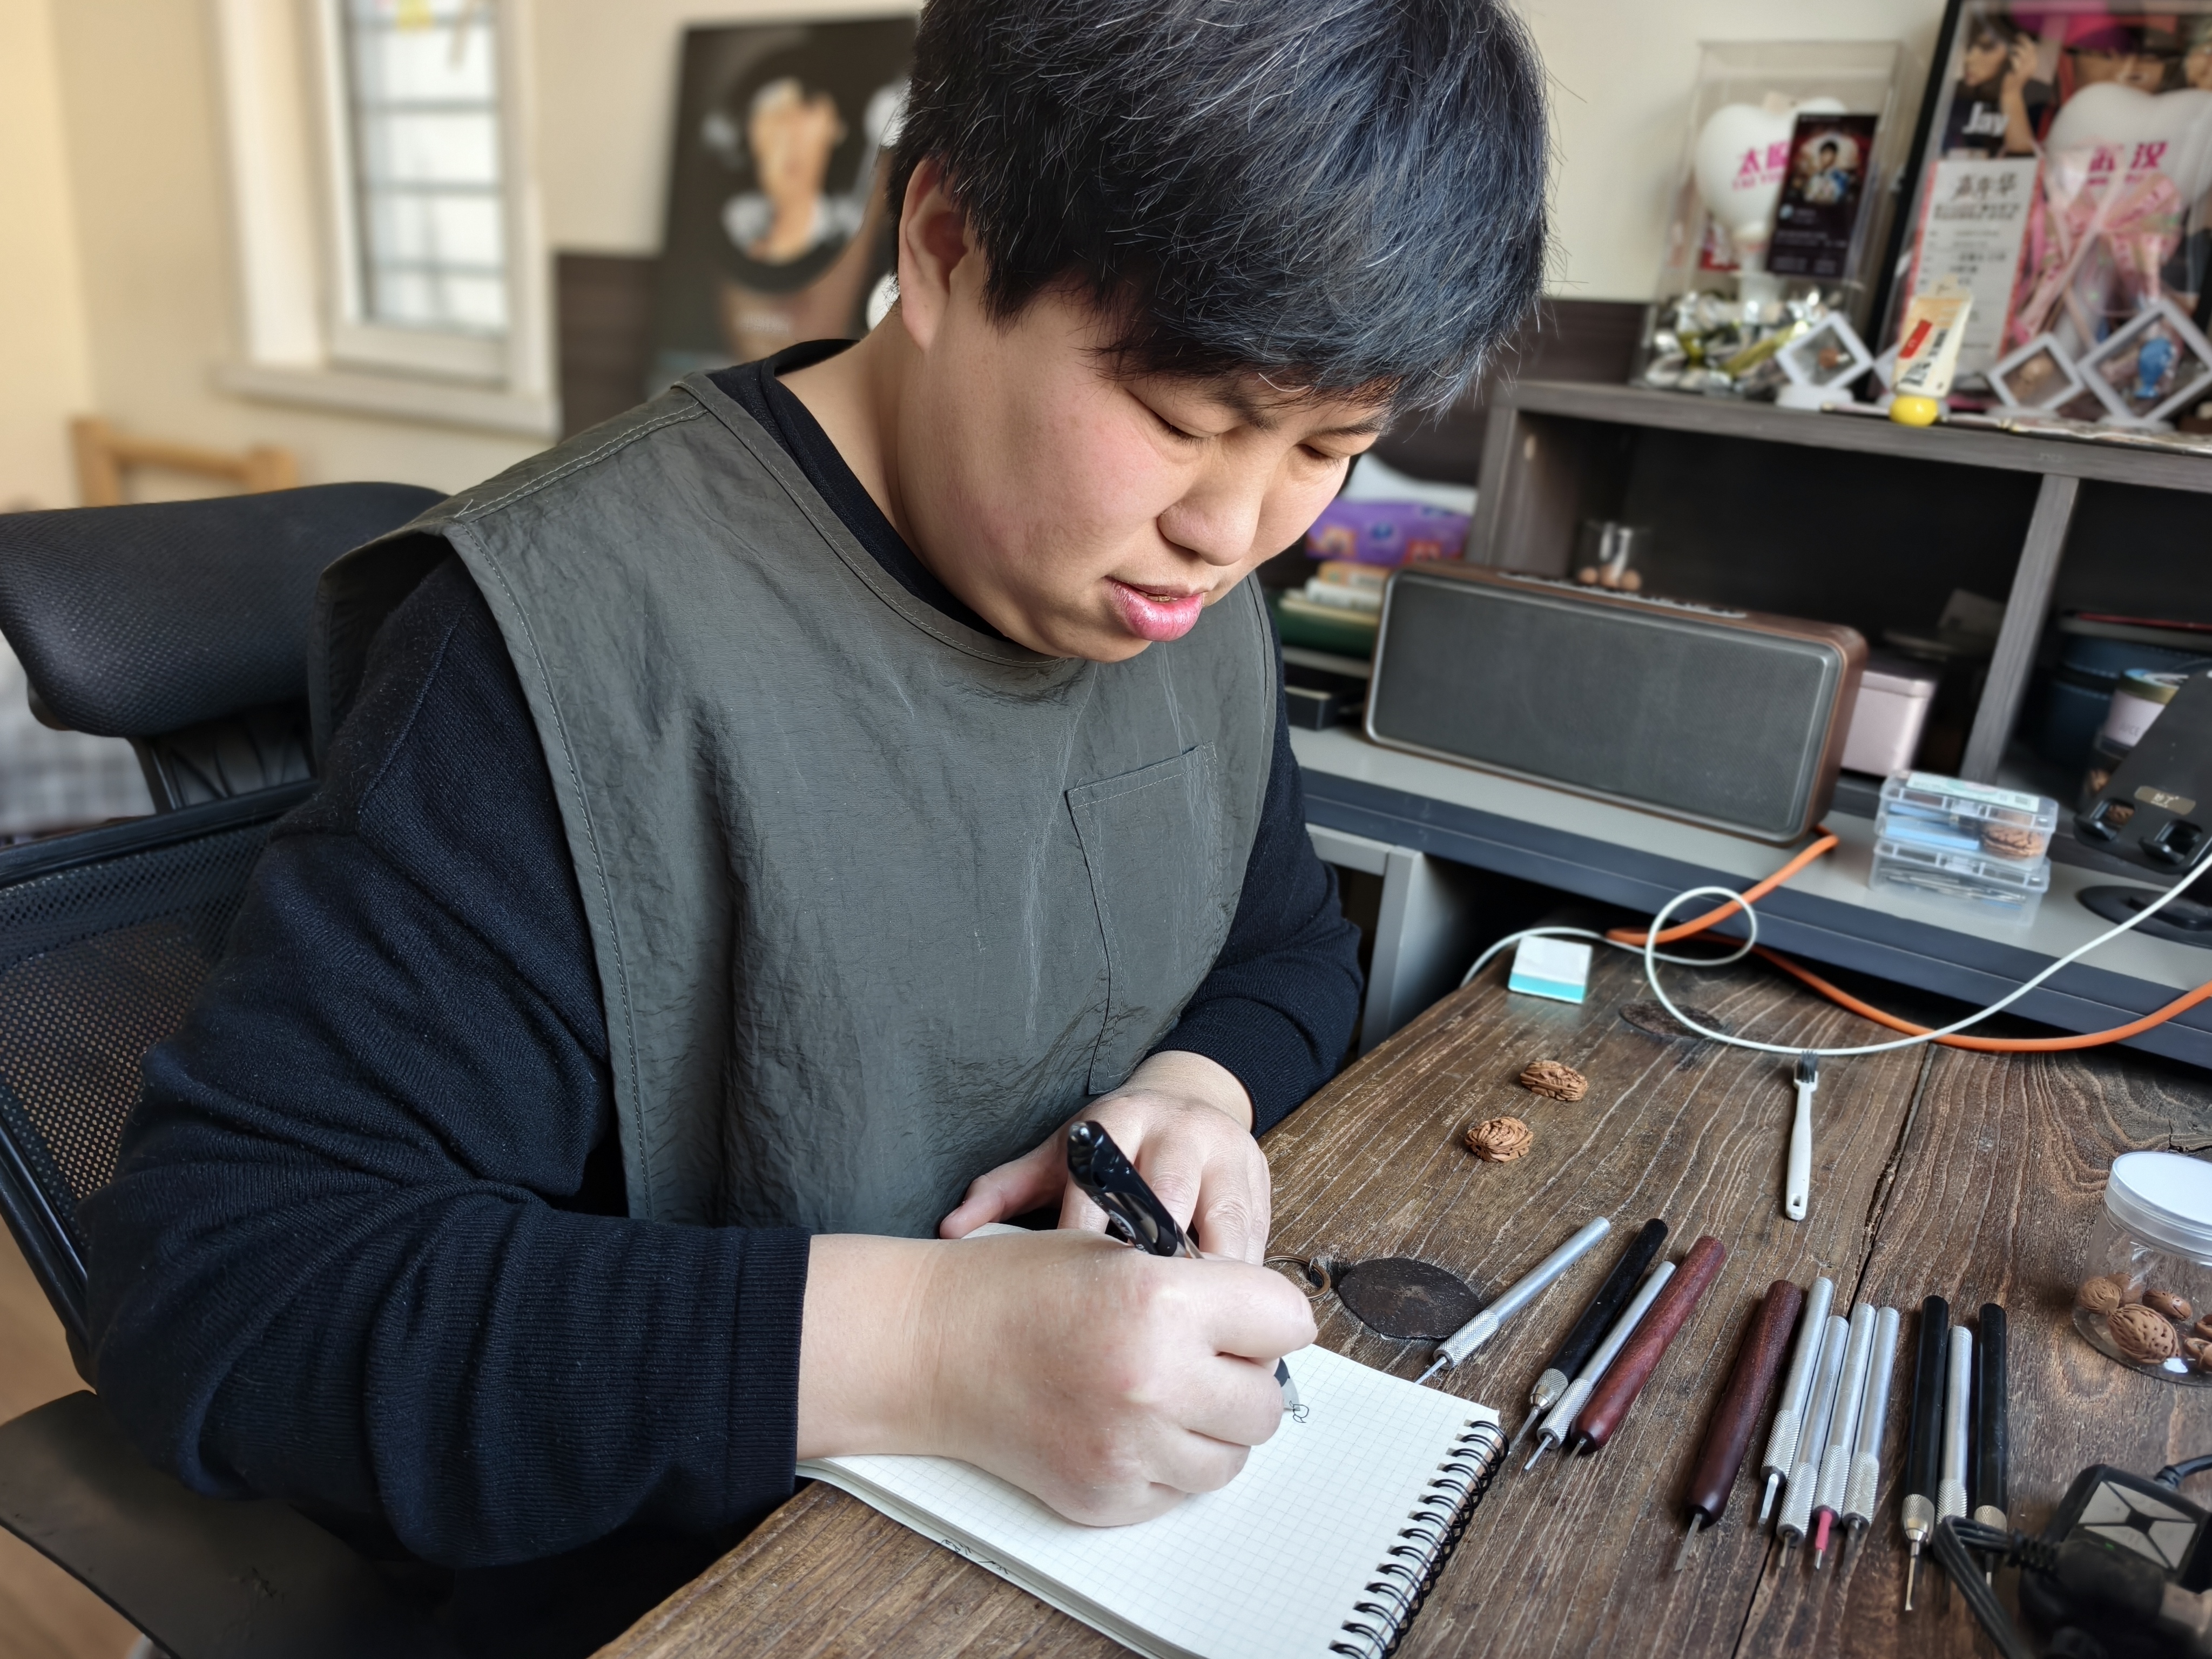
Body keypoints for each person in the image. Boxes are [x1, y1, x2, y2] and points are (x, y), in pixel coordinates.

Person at [82, 1, 1548, 1654]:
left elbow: (1277, 943)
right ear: (943, 244)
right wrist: (926, 1347)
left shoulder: (1177, 590)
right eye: (1185, 419)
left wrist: (1194, 1090)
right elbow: (229, 1293)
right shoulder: (562, 650)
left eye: (1331, 446)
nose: (1236, 530)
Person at [1942, 11, 2053, 157]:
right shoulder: (1951, 96)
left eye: (1986, 47)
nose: (1969, 59)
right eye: (1969, 45)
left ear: (2018, 52)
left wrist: (2012, 94)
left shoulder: (2040, 101)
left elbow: (2022, 163)